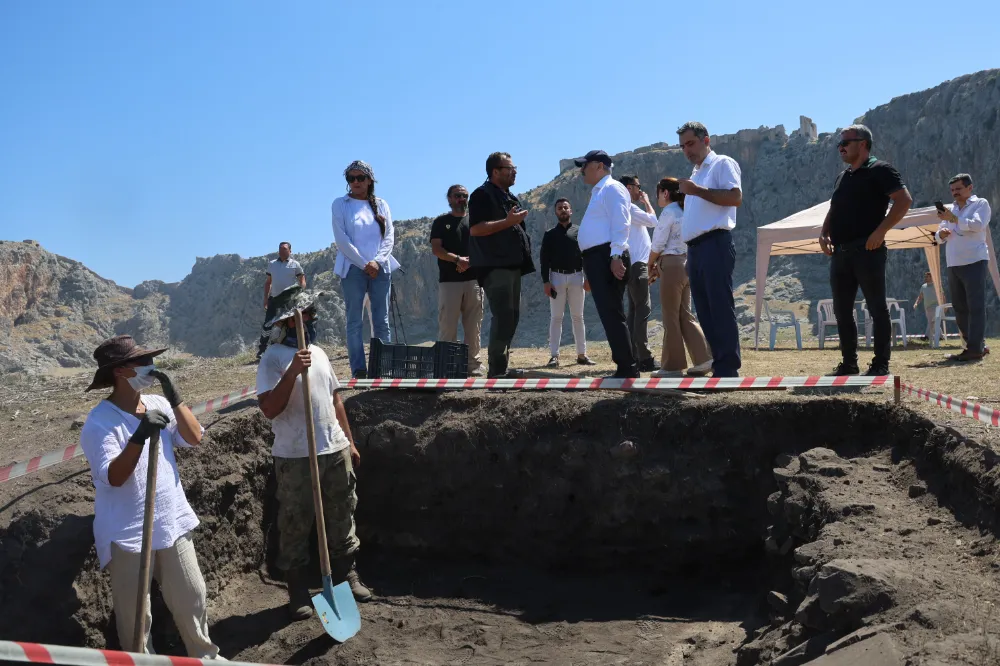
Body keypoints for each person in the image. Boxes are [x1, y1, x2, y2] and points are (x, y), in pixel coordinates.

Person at [79, 335, 220, 658]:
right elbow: (114, 476)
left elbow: (195, 438)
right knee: (136, 617)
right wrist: (140, 436)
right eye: (141, 362)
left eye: (150, 361)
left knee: (192, 597)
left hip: (171, 521)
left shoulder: (157, 404)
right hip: (128, 532)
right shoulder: (100, 422)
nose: (150, 367)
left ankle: (205, 658)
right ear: (119, 371)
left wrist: (174, 398)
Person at [256, 286, 370, 620]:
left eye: (311, 313)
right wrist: (292, 371)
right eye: (305, 314)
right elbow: (269, 408)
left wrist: (348, 441)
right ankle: (297, 589)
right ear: (290, 321)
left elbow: (335, 400)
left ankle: (347, 576)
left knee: (341, 513)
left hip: (332, 449)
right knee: (295, 521)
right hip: (294, 455)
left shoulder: (319, 353)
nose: (312, 318)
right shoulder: (272, 359)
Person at [818, 124, 912, 376]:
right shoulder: (843, 176)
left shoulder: (880, 169)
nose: (841, 147)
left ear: (863, 144)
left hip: (868, 249)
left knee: (876, 308)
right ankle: (849, 363)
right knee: (841, 310)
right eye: (840, 143)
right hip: (840, 251)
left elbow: (904, 200)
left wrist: (881, 232)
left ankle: (880, 363)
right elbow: (834, 207)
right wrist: (824, 231)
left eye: (846, 142)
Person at [676, 122, 744, 378]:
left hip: (716, 243)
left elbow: (734, 197)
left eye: (690, 143)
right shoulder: (695, 174)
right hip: (696, 250)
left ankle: (728, 367)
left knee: (719, 306)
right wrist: (690, 251)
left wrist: (697, 191)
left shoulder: (721, 164)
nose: (686, 150)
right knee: (704, 310)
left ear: (706, 140)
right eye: (683, 146)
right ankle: (719, 363)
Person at [468, 152, 536, 378]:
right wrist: (507, 223)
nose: (514, 171)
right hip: (495, 266)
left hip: (512, 266)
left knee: (512, 316)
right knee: (504, 315)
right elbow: (476, 229)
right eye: (509, 167)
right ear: (495, 171)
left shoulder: (509, 196)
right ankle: (496, 371)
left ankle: (501, 368)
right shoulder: (481, 195)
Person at [573, 149, 638, 378]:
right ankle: (625, 365)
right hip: (598, 257)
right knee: (609, 312)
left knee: (612, 312)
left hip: (607, 255)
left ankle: (627, 367)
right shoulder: (599, 191)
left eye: (585, 165)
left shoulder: (612, 188)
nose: (582, 171)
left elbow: (622, 222)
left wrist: (615, 256)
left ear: (600, 166)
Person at [331, 160, 397, 379]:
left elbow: (389, 237)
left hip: (380, 268)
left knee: (381, 320)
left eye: (360, 178)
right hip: (353, 269)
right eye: (351, 178)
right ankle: (359, 369)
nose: (356, 182)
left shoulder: (381, 204)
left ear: (370, 180)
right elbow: (342, 240)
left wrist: (377, 261)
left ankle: (383, 368)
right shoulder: (340, 204)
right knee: (354, 321)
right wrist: (364, 264)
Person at [648, 178, 713, 377]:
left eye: (658, 193)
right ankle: (704, 358)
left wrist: (649, 264)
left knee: (670, 316)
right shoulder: (686, 211)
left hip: (671, 264)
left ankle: (671, 366)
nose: (657, 197)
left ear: (665, 193)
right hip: (687, 263)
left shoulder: (668, 212)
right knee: (685, 313)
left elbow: (657, 244)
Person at [935, 173, 993, 362]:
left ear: (970, 187)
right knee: (960, 308)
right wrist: (941, 234)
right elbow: (938, 235)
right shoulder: (950, 209)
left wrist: (954, 219)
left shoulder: (980, 204)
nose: (955, 193)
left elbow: (978, 225)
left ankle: (975, 349)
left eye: (958, 189)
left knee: (975, 306)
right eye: (952, 190)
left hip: (975, 260)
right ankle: (975, 345)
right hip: (953, 263)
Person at [430, 185, 484, 376]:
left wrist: (470, 262)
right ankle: (447, 365)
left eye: (465, 196)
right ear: (449, 198)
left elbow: (484, 247)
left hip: (474, 281)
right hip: (449, 282)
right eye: (458, 196)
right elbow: (437, 249)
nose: (462, 199)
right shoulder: (440, 222)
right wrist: (457, 260)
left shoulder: (475, 222)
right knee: (448, 325)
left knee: (473, 325)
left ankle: (473, 365)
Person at [539, 198, 595, 367]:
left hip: (577, 277)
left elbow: (588, 256)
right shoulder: (549, 235)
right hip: (556, 278)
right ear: (556, 212)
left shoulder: (580, 231)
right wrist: (546, 282)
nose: (563, 210)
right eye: (559, 208)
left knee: (578, 317)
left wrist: (588, 278)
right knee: (556, 318)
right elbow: (544, 261)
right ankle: (554, 356)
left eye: (565, 207)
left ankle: (582, 355)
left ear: (571, 211)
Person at [619, 175, 660, 372]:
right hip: (638, 266)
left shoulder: (623, 208)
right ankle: (645, 357)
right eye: (638, 186)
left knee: (634, 312)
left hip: (633, 265)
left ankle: (634, 354)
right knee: (642, 310)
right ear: (629, 188)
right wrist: (647, 202)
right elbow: (653, 221)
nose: (639, 190)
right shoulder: (630, 207)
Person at [257, 242, 306, 359]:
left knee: (289, 323)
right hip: (274, 299)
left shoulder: (295, 264)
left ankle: (292, 347)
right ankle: (262, 350)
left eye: (284, 249)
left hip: (289, 300)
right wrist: (265, 299)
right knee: (268, 324)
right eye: (280, 249)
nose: (282, 251)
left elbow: (302, 280)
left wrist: (301, 289)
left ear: (290, 251)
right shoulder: (272, 264)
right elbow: (268, 282)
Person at [912, 271, 939, 342]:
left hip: (936, 307)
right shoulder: (923, 286)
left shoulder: (936, 286)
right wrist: (916, 303)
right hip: (927, 308)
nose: (925, 278)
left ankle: (927, 336)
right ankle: (940, 336)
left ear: (931, 277)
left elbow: (942, 296)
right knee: (934, 321)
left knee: (931, 321)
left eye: (927, 277)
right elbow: (920, 297)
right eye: (925, 277)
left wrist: (944, 306)